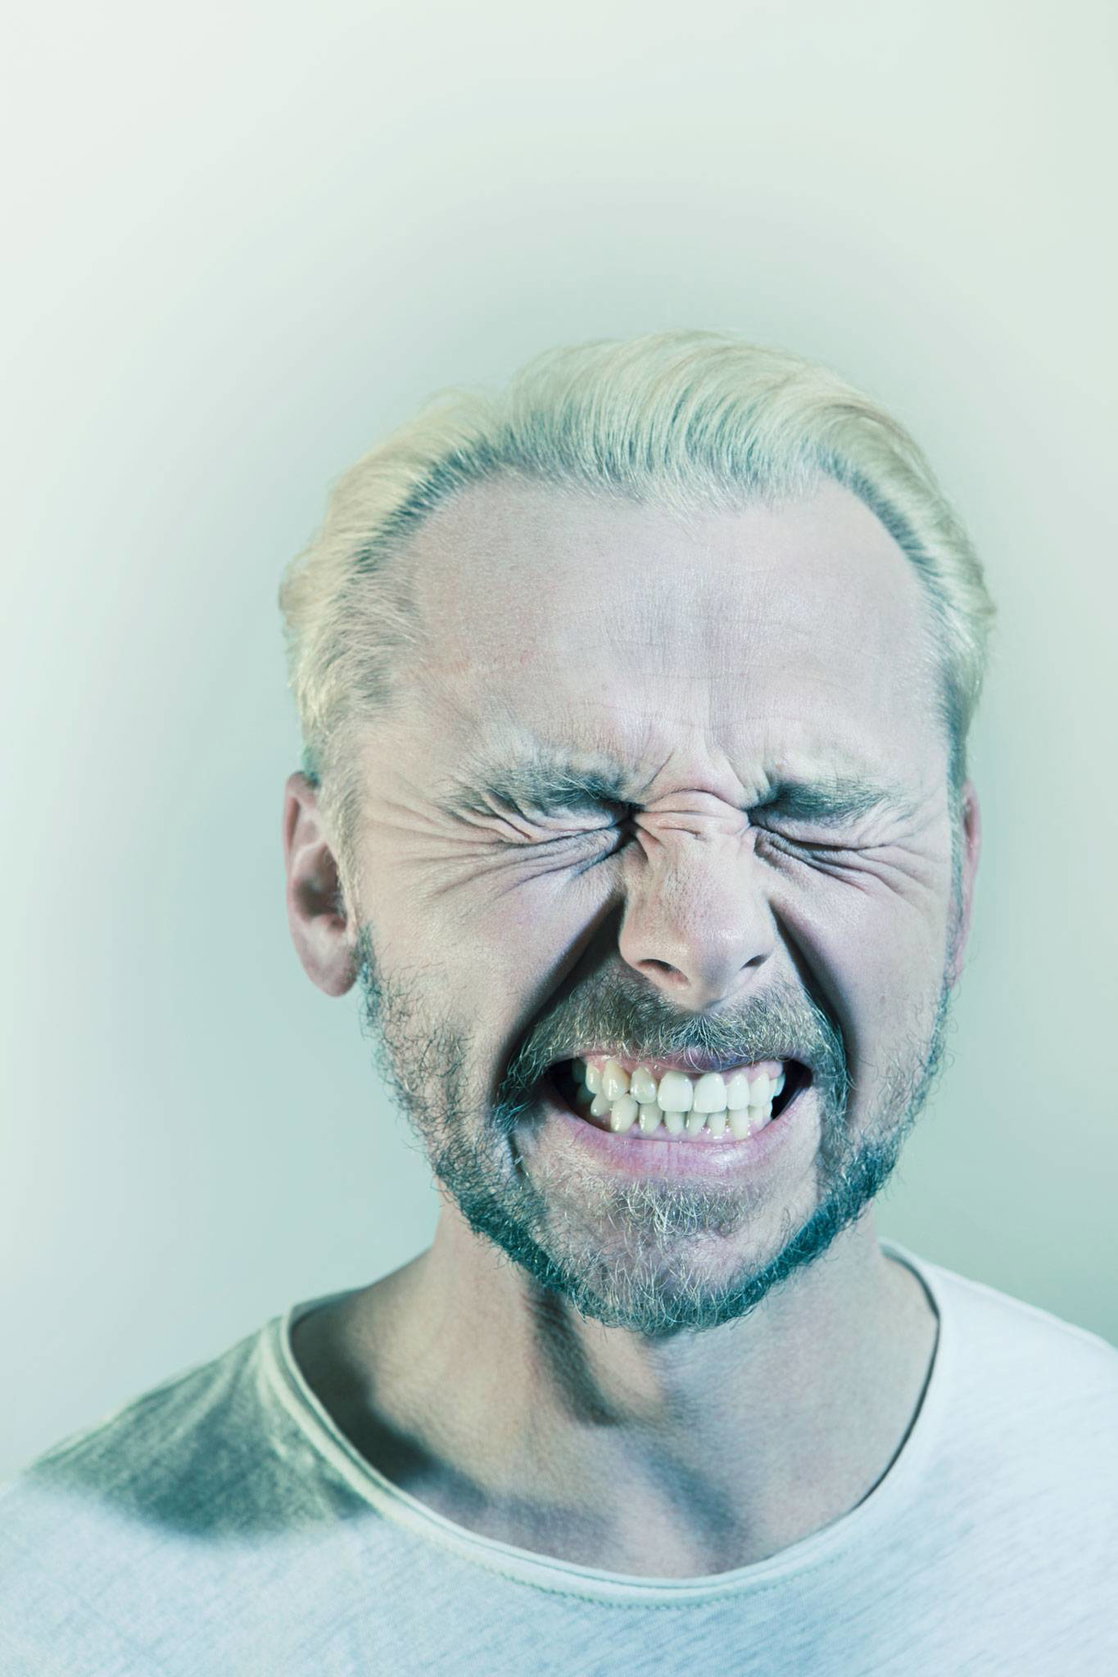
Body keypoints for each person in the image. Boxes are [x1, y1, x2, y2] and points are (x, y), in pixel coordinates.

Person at [2, 331, 1115, 1675]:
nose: (704, 940)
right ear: (327, 885)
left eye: (811, 812)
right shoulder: (60, 1613)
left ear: (959, 885)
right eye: (562, 806)